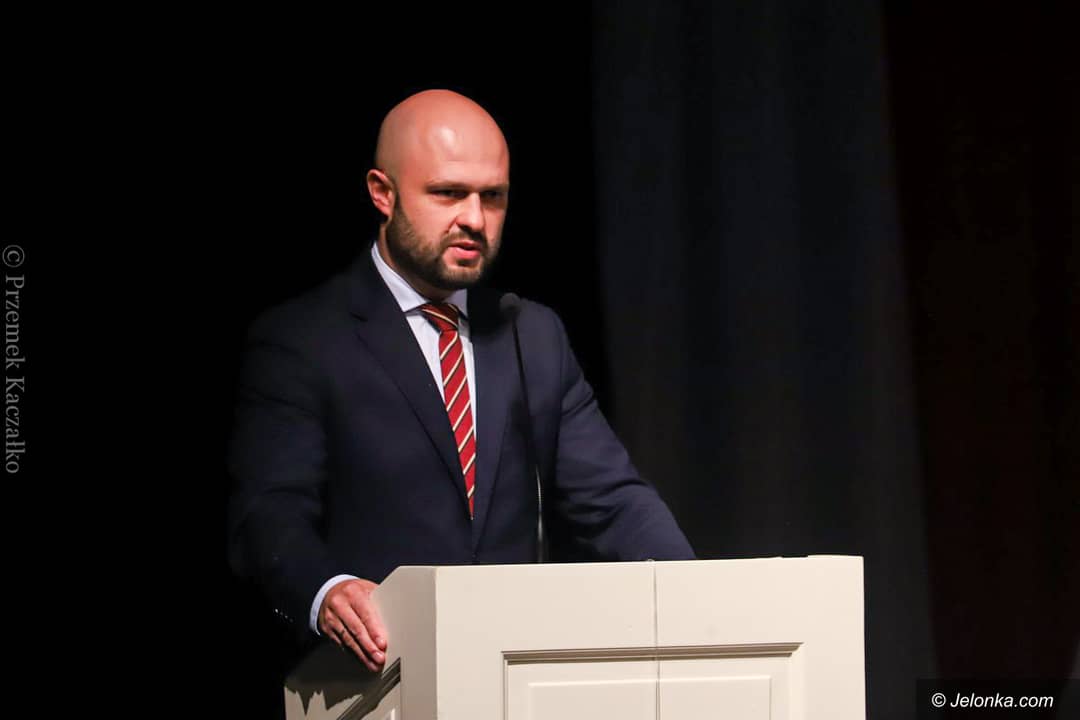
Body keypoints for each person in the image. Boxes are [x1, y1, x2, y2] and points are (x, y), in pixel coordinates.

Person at [227, 89, 694, 673]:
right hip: (377, 677)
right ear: (382, 193)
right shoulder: (304, 340)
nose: (474, 218)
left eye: (492, 196)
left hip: (514, 677)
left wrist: (697, 596)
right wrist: (326, 591)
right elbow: (269, 513)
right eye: (448, 193)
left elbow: (613, 502)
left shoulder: (532, 334)